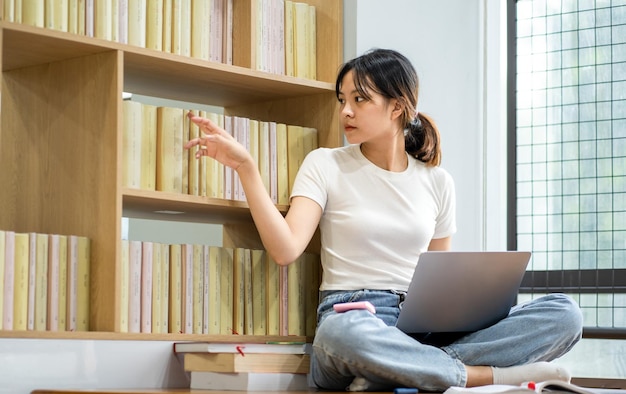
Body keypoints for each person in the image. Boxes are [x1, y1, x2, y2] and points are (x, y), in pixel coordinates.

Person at [184, 48, 583, 392]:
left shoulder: (437, 181)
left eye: (359, 99)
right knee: (343, 336)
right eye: (342, 99)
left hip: (425, 324)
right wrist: (246, 168)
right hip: (356, 315)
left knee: (565, 314)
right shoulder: (325, 164)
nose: (345, 111)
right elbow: (285, 249)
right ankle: (479, 375)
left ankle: (397, 371)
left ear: (397, 106)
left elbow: (440, 279)